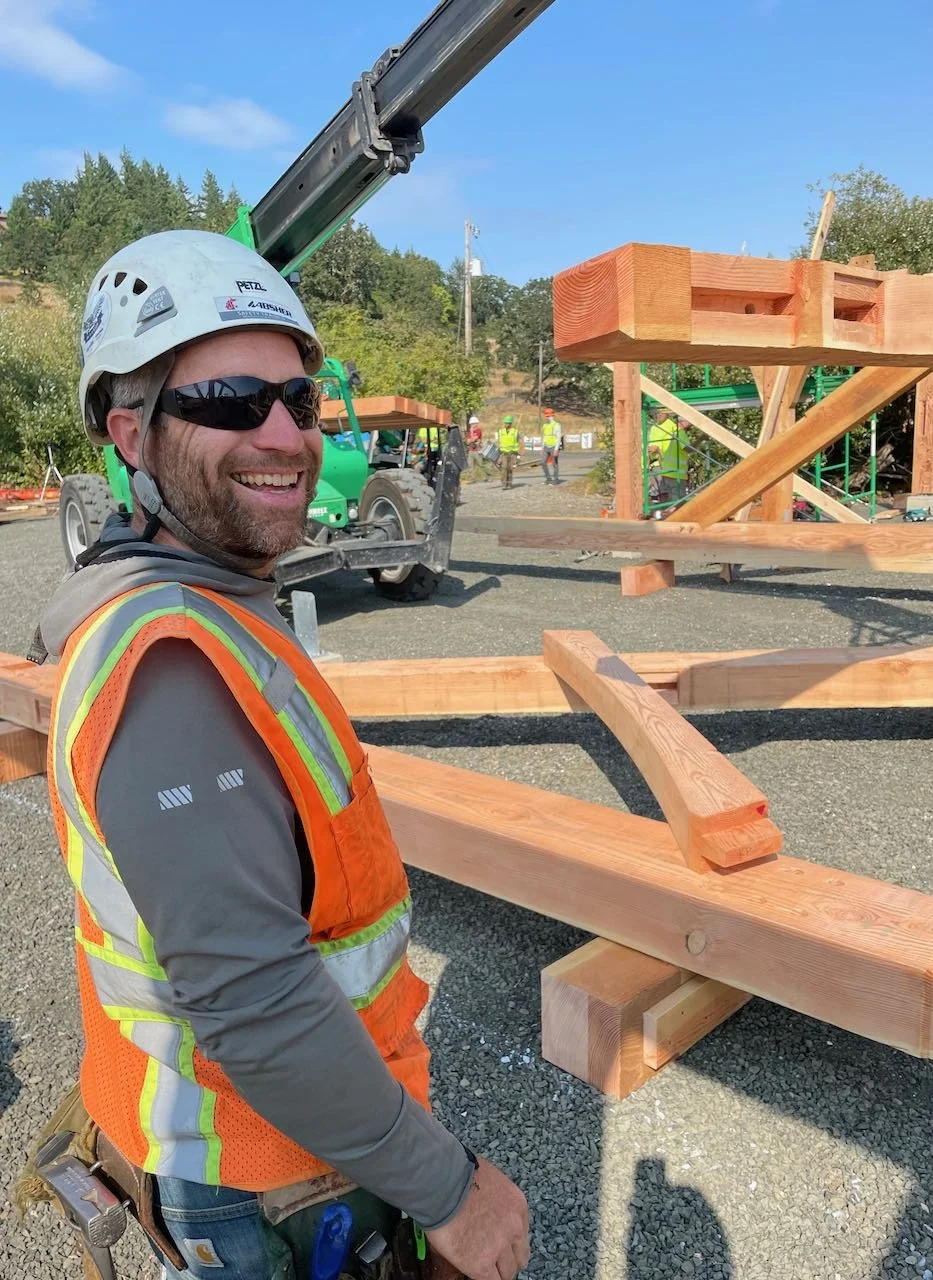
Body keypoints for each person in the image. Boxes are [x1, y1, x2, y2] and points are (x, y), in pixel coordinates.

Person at [35, 230, 530, 1280]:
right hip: (263, 1177)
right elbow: (255, 1001)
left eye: (298, 400)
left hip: (286, 1146)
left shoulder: (220, 609)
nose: (283, 432)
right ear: (130, 431)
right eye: (227, 399)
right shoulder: (167, 663)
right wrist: (452, 1189)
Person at [646, 408, 690, 509]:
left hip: (663, 464)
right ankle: (659, 512)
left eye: (661, 412)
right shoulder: (654, 428)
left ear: (667, 413)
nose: (658, 415)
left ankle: (665, 513)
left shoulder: (672, 427)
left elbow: (678, 445)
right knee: (655, 493)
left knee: (665, 493)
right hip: (653, 463)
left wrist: (659, 452)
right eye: (657, 412)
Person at [497, 415, 521, 489]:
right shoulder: (501, 431)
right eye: (505, 423)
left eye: (508, 423)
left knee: (510, 469)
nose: (506, 424)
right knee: (504, 468)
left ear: (511, 424)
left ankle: (509, 483)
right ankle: (504, 484)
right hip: (503, 453)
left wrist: (518, 455)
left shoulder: (515, 432)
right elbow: (498, 442)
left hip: (512, 453)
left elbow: (518, 442)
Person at [540, 409, 562, 485]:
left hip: (553, 447)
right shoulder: (545, 425)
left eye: (549, 416)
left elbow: (558, 437)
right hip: (546, 446)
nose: (548, 417)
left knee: (554, 464)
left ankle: (556, 479)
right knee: (543, 462)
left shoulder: (557, 425)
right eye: (547, 416)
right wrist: (542, 447)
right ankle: (548, 478)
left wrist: (556, 449)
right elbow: (545, 436)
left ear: (553, 416)